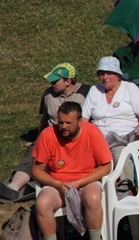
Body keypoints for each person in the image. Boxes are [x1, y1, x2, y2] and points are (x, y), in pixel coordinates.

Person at [33, 101, 113, 240]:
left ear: (79, 121)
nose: (63, 127)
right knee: (42, 203)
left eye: (68, 123)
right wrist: (57, 183)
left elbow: (106, 165)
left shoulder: (92, 132)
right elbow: (37, 170)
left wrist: (79, 183)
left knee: (93, 198)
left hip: (86, 181)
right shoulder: (48, 134)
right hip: (57, 184)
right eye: (60, 122)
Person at [0, 63, 91, 204]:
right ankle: (13, 187)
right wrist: (37, 139)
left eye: (55, 81)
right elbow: (44, 119)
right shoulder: (48, 94)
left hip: (74, 139)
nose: (51, 84)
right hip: (50, 136)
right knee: (33, 157)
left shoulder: (87, 92)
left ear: (68, 81)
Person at [82, 57, 139, 197]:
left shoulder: (129, 88)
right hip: (98, 138)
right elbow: (84, 118)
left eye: (109, 73)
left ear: (118, 74)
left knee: (120, 154)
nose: (105, 77)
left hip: (123, 137)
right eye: (101, 73)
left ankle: (127, 188)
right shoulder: (95, 90)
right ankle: (90, 188)